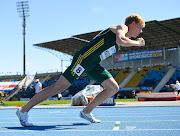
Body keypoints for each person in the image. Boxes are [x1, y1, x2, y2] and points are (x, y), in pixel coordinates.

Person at [16, 14, 145, 127]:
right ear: (132, 23)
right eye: (140, 28)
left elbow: (118, 42)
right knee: (59, 87)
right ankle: (23, 110)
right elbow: (121, 40)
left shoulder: (122, 38)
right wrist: (138, 43)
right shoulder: (121, 27)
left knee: (113, 88)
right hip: (83, 59)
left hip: (92, 64)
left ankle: (86, 112)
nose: (140, 32)